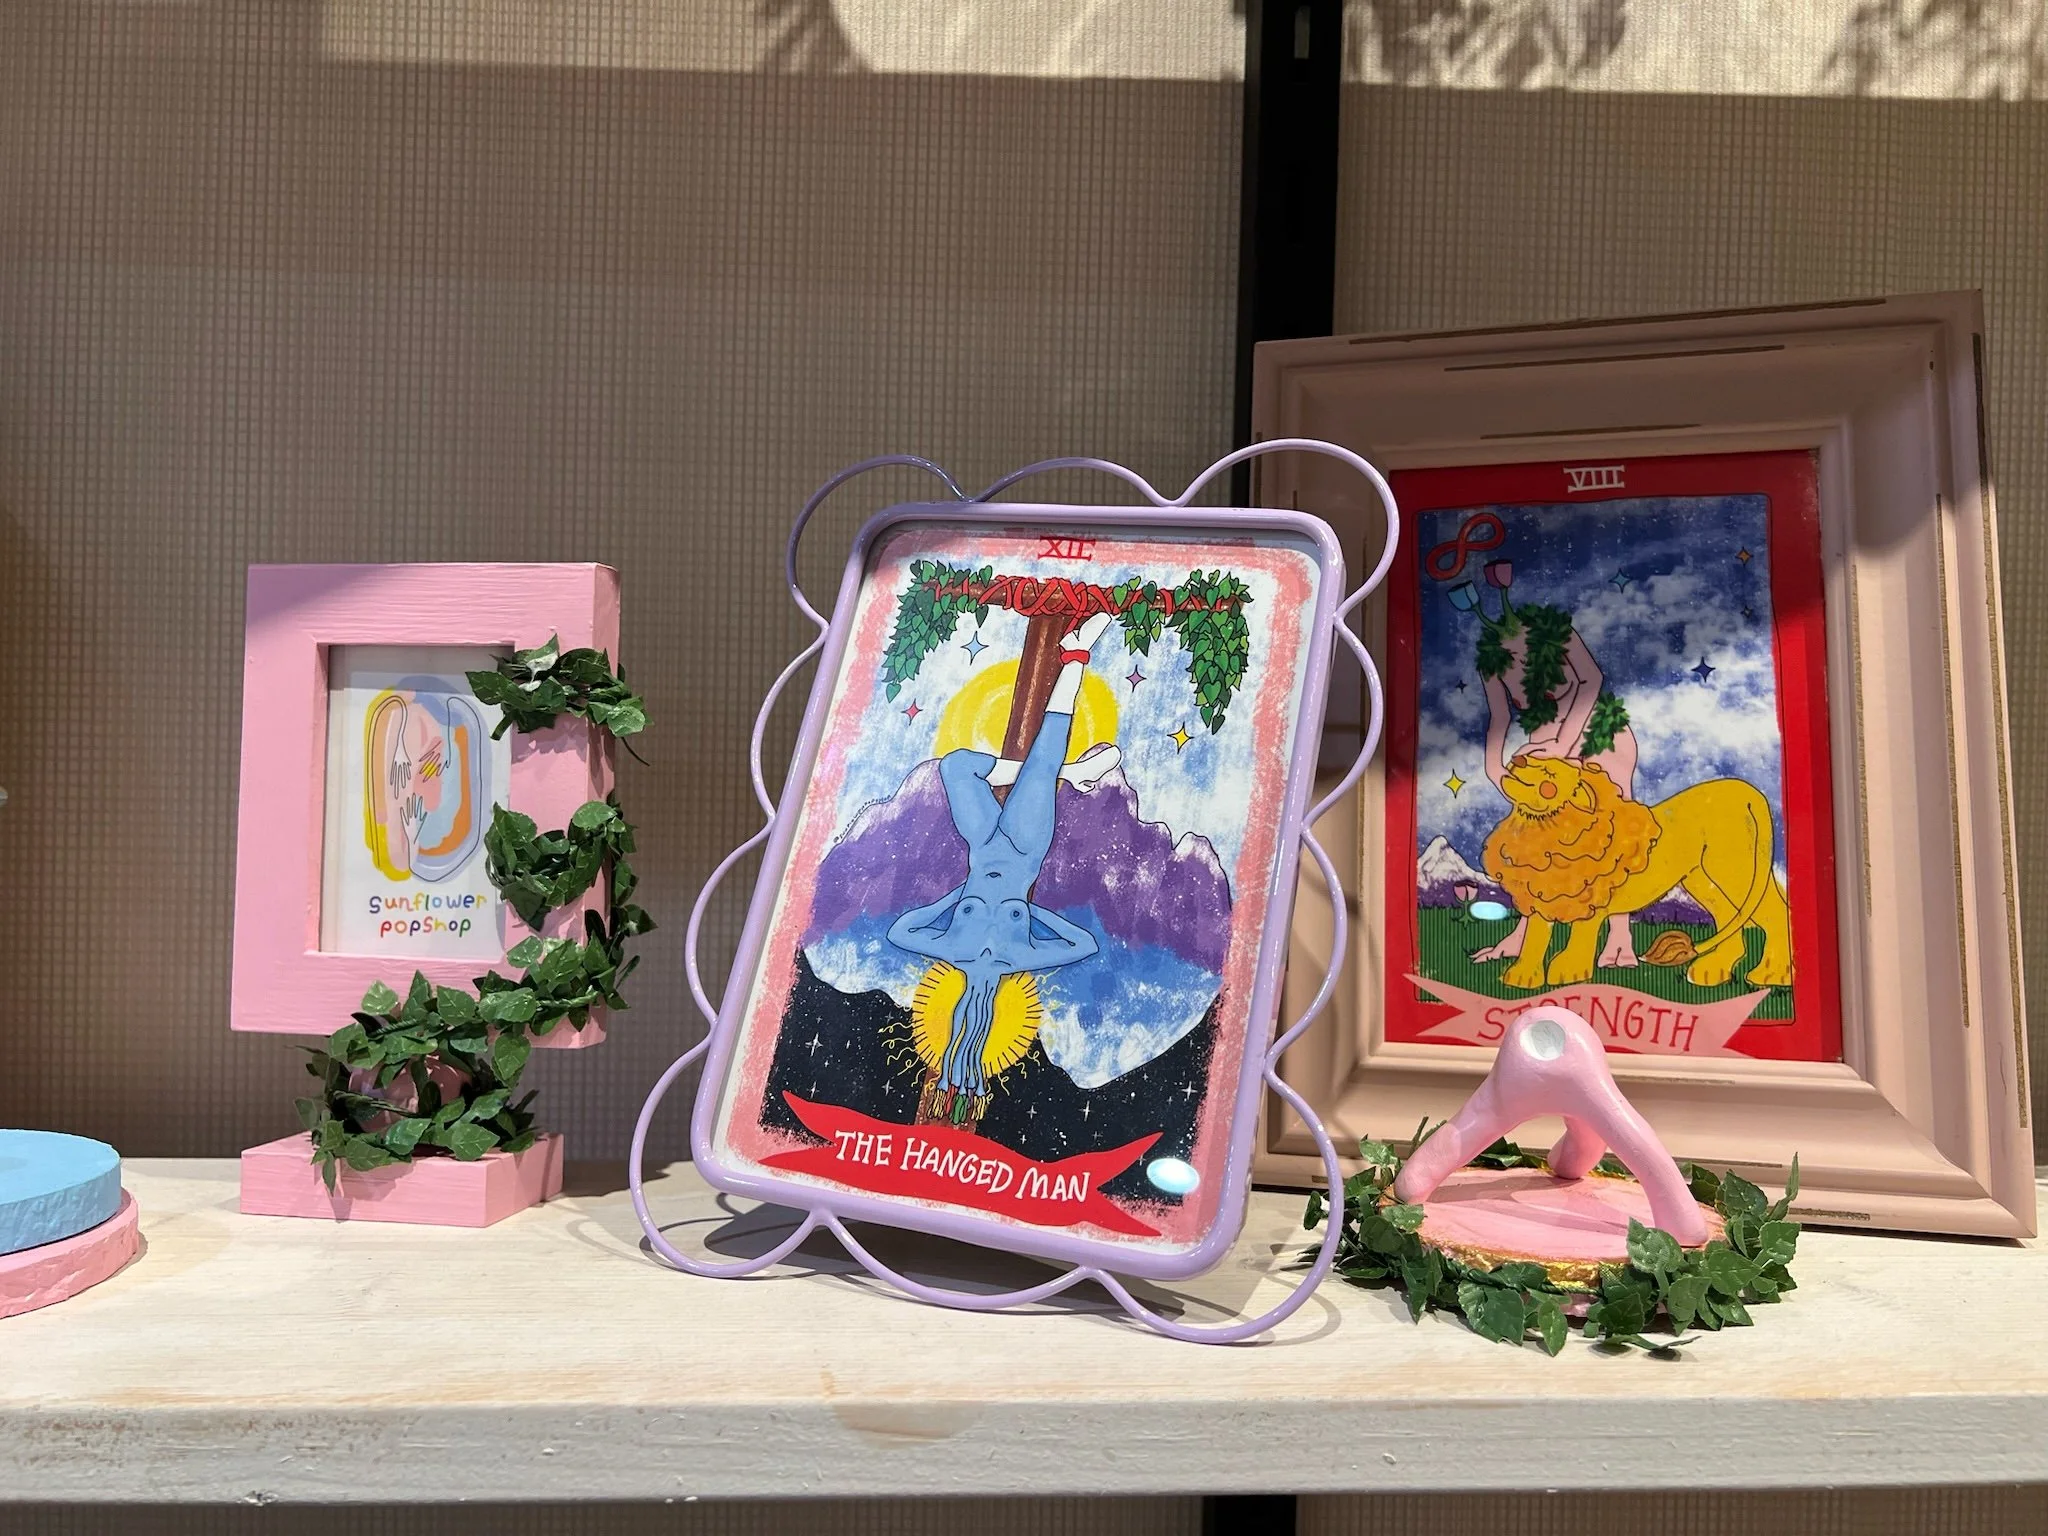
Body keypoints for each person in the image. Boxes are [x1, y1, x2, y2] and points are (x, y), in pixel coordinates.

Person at [888, 611, 1121, 1124]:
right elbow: (1084, 944)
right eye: (979, 1019)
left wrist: (958, 897)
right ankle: (1077, 657)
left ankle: (1072, 772)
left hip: (980, 847)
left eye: (961, 1020)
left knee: (956, 765)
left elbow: (901, 931)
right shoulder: (1019, 956)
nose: (972, 1014)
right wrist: (1026, 912)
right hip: (1021, 847)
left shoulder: (951, 948)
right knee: (1043, 757)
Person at [1472, 602, 1642, 970]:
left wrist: (1562, 747)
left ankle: (1619, 933)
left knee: (1615, 835)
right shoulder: (1492, 659)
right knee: (1538, 843)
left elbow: (1591, 680)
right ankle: (1525, 933)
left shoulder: (1555, 631)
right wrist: (1494, 767)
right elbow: (1500, 716)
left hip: (1597, 733)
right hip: (1543, 745)